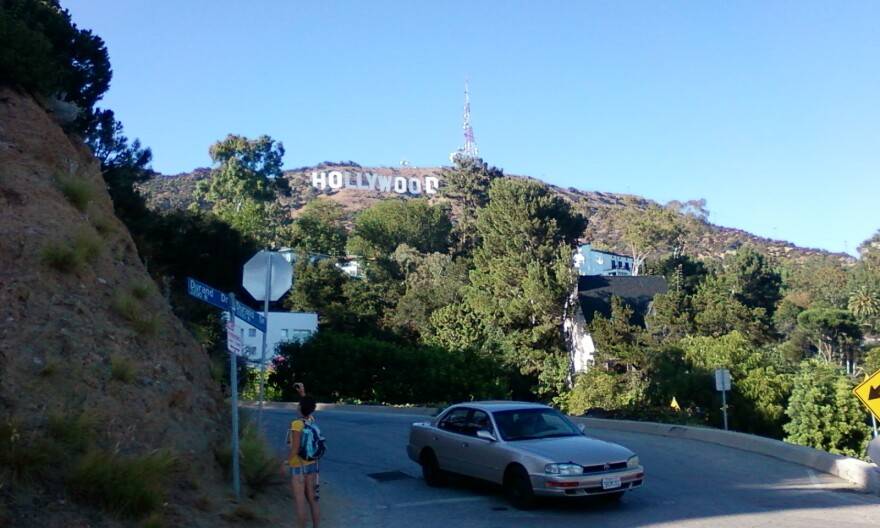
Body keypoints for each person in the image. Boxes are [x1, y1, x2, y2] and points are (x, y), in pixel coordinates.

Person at [286, 395, 320, 528]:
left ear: (299, 406)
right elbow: (308, 406)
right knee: (312, 500)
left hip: (298, 466)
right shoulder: (310, 420)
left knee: (300, 503)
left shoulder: (297, 424)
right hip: (312, 464)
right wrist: (303, 393)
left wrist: (285, 463)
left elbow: (295, 448)